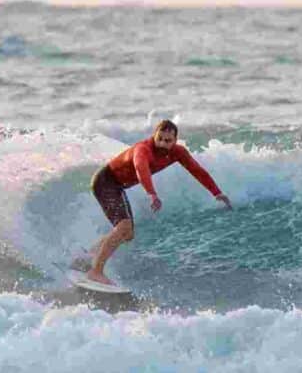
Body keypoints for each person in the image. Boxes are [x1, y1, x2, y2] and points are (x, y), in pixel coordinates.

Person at [80, 119, 232, 286]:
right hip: (105, 182)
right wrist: (151, 193)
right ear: (154, 135)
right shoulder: (143, 149)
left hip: (117, 187)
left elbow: (197, 170)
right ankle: (96, 271)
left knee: (127, 234)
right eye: (159, 138)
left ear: (175, 141)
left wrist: (217, 192)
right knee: (123, 227)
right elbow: (141, 168)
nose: (162, 143)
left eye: (167, 141)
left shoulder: (178, 152)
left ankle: (86, 257)